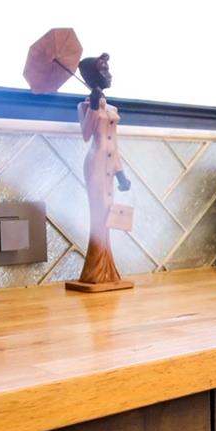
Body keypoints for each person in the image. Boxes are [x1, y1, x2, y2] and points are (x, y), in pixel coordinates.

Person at [72, 53, 132, 289]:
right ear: (90, 77)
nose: (109, 75)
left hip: (110, 164)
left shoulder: (113, 108)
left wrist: (121, 174)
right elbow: (87, 134)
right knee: (99, 217)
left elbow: (113, 146)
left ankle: (107, 270)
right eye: (104, 71)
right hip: (96, 165)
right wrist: (94, 106)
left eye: (108, 70)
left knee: (108, 216)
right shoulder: (86, 106)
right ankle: (95, 269)